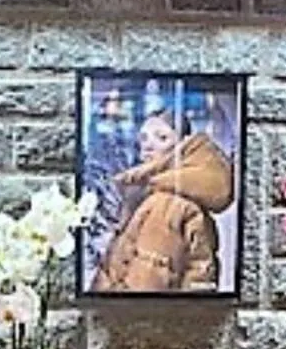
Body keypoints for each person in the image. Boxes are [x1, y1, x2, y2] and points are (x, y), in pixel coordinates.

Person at [93, 105, 235, 293]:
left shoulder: (167, 203)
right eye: (143, 138)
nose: (148, 145)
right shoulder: (146, 195)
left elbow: (147, 286)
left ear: (183, 146)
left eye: (162, 138)